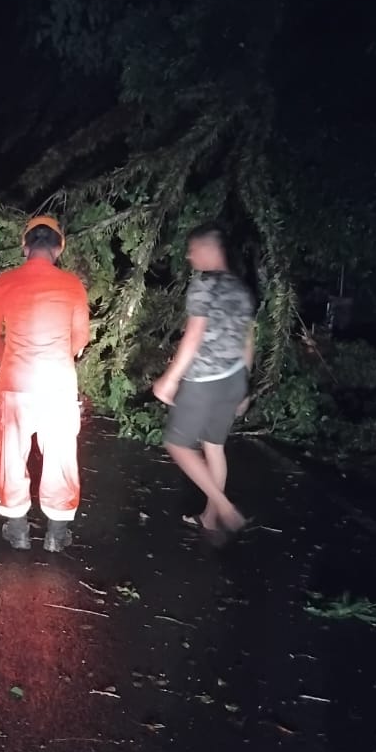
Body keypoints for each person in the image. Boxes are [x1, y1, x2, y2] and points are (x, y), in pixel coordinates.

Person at [0, 215, 90, 553]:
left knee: (12, 456)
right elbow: (80, 337)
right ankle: (57, 535)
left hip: (15, 383)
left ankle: (18, 530)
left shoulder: (5, 281)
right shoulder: (73, 285)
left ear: (25, 245)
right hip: (57, 384)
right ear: (59, 247)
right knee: (60, 457)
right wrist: (59, 357)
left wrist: (8, 359)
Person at [153, 224, 255, 538]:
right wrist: (245, 386)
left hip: (205, 379)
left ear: (210, 250)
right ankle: (210, 518)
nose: (188, 255)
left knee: (178, 444)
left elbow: (194, 334)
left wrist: (170, 379)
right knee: (214, 447)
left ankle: (224, 507)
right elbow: (249, 340)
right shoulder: (242, 288)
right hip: (234, 376)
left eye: (193, 249)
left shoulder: (204, 284)